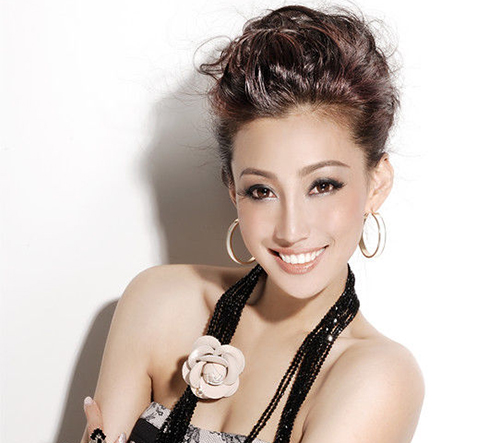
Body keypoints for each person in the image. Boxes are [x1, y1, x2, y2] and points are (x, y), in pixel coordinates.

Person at [80, 4, 425, 443]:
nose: (291, 230)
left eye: (322, 185)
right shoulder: (159, 303)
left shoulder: (376, 377)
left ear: (377, 184)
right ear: (233, 190)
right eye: (262, 190)